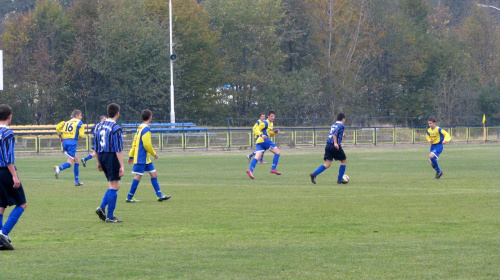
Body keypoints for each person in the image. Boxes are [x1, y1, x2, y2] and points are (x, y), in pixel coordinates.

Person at [125, 110, 171, 203]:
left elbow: (134, 142)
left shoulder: (140, 127)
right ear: (150, 117)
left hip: (146, 159)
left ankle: (160, 196)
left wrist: (131, 155)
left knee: (154, 174)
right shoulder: (145, 128)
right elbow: (147, 145)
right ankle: (129, 197)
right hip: (141, 157)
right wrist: (154, 153)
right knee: (138, 176)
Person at [0, 104, 27, 250]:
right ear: (10, 116)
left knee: (1, 205)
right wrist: (15, 176)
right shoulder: (8, 133)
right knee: (22, 203)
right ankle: (3, 233)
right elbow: (8, 158)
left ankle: (0, 241)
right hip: (4, 171)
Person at [94, 103, 125, 223]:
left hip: (101, 155)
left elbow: (95, 147)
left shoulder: (98, 126)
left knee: (115, 185)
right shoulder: (115, 128)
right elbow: (118, 148)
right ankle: (110, 216)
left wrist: (98, 162)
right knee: (113, 185)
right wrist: (121, 165)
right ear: (118, 113)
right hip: (111, 156)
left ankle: (101, 208)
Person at [309, 112, 349, 184]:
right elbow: (334, 134)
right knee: (344, 161)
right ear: (343, 119)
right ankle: (340, 179)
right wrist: (336, 143)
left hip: (328, 145)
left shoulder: (334, 125)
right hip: (334, 145)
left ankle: (314, 174)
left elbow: (334, 132)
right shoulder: (341, 125)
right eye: (344, 119)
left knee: (327, 164)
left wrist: (342, 134)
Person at [246, 110, 281, 179]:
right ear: (268, 116)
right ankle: (273, 168)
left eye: (274, 116)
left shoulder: (271, 124)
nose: (273, 117)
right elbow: (255, 129)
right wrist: (261, 134)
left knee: (257, 157)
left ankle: (250, 170)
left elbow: (269, 134)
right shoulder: (265, 122)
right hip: (264, 140)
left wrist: (274, 132)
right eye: (271, 116)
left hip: (260, 142)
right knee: (277, 152)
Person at [54, 109, 85, 186]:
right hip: (72, 143)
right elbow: (81, 134)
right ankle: (59, 168)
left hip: (64, 142)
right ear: (77, 116)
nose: (81, 117)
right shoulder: (79, 123)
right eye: (80, 115)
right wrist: (78, 139)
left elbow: (58, 127)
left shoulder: (66, 122)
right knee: (70, 163)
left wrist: (60, 136)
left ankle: (76, 181)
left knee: (77, 160)